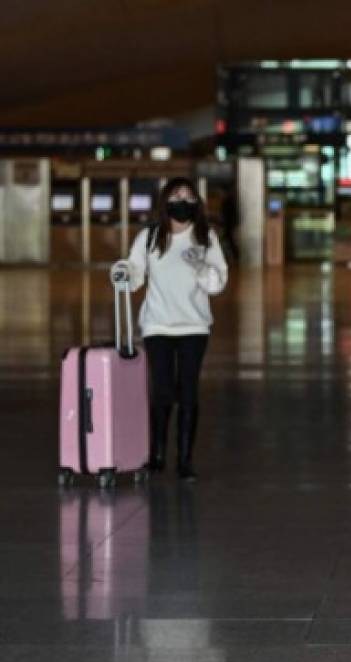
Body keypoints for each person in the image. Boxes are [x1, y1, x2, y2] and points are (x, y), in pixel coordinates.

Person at [122, 177, 228, 482]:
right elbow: (135, 273)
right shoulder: (150, 237)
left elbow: (218, 282)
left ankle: (184, 459)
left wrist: (200, 268)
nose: (183, 201)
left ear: (197, 204)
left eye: (189, 196)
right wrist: (124, 273)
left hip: (194, 326)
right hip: (157, 324)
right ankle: (156, 455)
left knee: (189, 391)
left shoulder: (206, 237)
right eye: (177, 195)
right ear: (166, 201)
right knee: (162, 391)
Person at [218, 186, 240, 263]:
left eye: (221, 193)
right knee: (229, 241)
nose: (220, 195)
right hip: (230, 225)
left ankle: (233, 256)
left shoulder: (227, 202)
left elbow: (226, 215)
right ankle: (233, 256)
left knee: (229, 240)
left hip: (229, 225)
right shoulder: (230, 202)